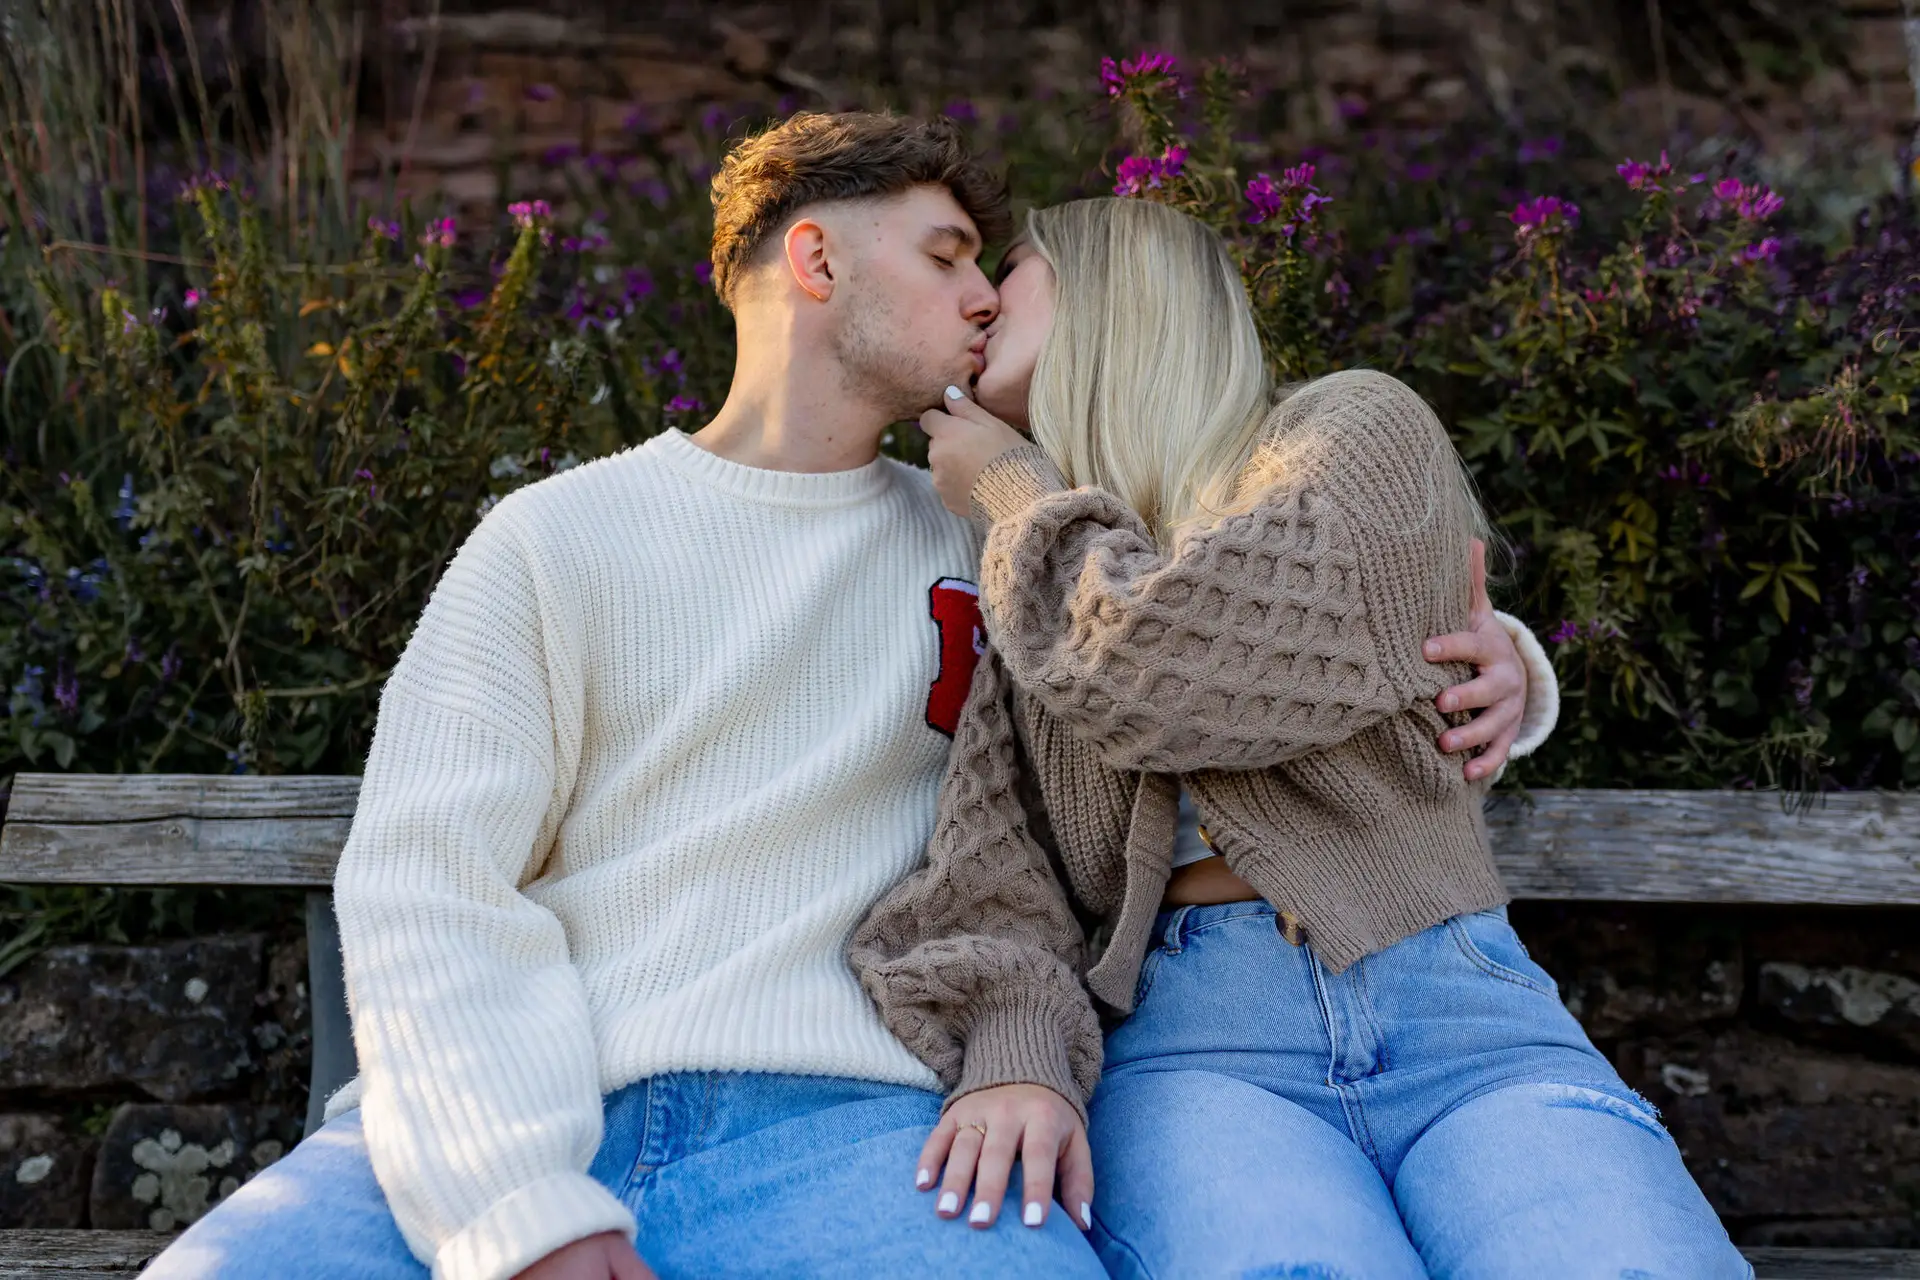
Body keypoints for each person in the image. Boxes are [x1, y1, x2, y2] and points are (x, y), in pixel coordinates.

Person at [145, 115, 1538, 1280]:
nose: (987, 297)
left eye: (996, 270)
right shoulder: (556, 539)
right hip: (515, 1117)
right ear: (813, 258)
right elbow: (429, 883)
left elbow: (1214, 614)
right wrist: (516, 1207)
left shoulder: (1001, 541)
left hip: (865, 1134)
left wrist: (1503, 664)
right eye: (946, 258)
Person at [852, 196, 1752, 1279]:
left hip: (1457, 1006)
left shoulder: (1354, 429)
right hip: (1199, 1043)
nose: (986, 297)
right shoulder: (1020, 570)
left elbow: (1171, 658)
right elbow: (1001, 862)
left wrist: (1009, 488)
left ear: (1113, 287)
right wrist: (1018, 1052)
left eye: (1014, 266)